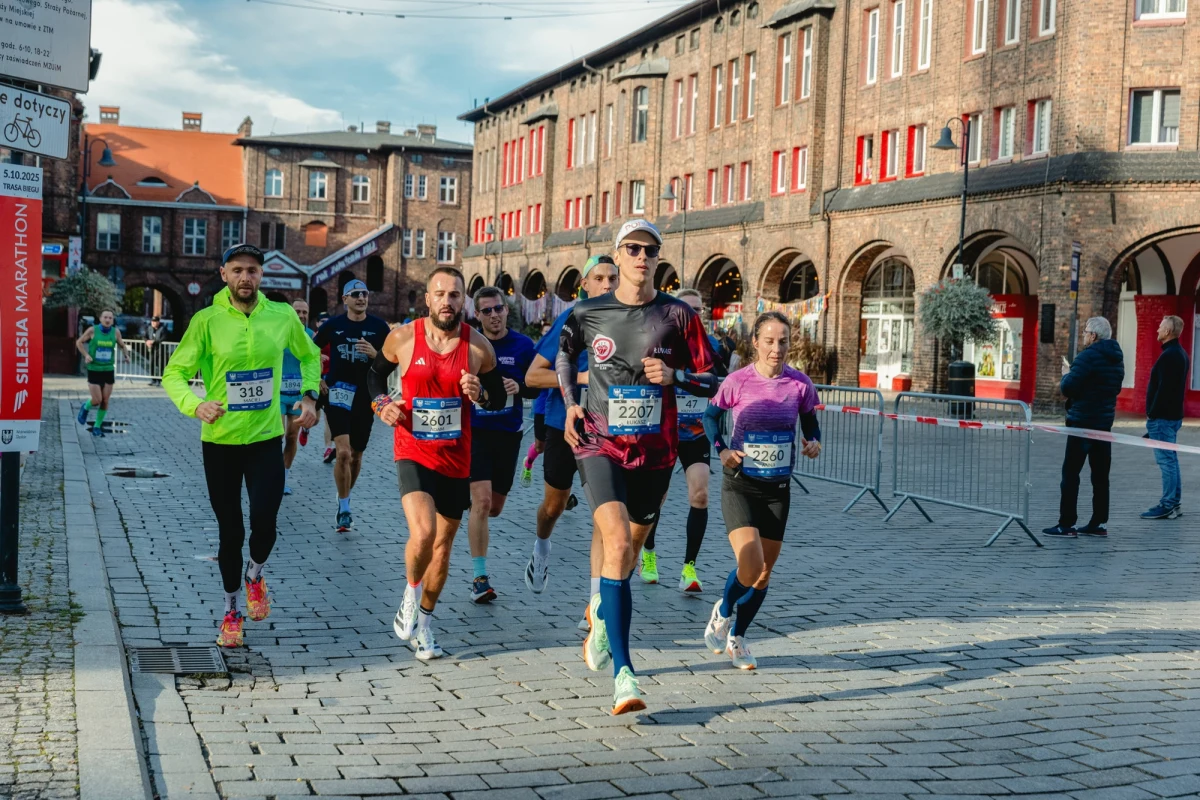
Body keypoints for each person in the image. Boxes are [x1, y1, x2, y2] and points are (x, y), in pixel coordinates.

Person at [559, 219, 718, 714]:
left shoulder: (677, 315)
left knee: (631, 550)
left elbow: (714, 381)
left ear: (658, 257)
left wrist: (677, 376)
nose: (641, 256)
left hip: (656, 450)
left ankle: (604, 616)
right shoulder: (588, 311)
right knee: (619, 541)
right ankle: (625, 675)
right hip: (599, 442)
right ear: (618, 253)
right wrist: (570, 403)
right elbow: (564, 357)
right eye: (632, 248)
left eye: (650, 249)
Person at [162, 244, 320, 648]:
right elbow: (174, 373)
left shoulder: (282, 316)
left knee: (266, 521)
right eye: (237, 271)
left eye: (252, 270)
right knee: (230, 531)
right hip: (221, 442)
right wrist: (197, 405)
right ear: (223, 274)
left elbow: (310, 355)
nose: (245, 277)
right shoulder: (207, 320)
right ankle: (232, 609)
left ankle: (255, 575)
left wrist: (309, 396)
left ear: (261, 275)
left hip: (266, 439)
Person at [367, 267, 508, 659]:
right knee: (424, 532)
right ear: (427, 298)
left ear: (464, 301)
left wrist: (479, 392)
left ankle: (424, 628)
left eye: (455, 295)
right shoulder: (403, 338)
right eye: (440, 294)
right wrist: (382, 405)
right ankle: (410, 594)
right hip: (412, 448)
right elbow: (375, 378)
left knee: (443, 549)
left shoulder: (478, 347)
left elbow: (498, 398)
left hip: (455, 457)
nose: (448, 301)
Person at [700, 312, 821, 669]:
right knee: (749, 564)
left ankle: (738, 638)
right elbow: (710, 418)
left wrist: (813, 441)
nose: (776, 348)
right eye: (769, 341)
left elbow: (811, 424)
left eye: (783, 341)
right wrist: (721, 449)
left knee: (765, 572)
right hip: (740, 485)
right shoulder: (737, 381)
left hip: (777, 489)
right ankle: (722, 611)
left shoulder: (800, 385)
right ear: (755, 342)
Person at [523, 255, 620, 600]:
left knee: (603, 513)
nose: (607, 284)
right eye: (600, 278)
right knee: (554, 505)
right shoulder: (571, 318)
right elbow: (533, 375)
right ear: (585, 283)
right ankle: (542, 548)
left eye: (613, 278)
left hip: (609, 427)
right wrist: (580, 377)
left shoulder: (628, 321)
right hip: (564, 423)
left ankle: (595, 604)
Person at [638, 288, 727, 591]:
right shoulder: (660, 342)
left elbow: (719, 384)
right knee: (656, 498)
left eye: (699, 310)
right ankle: (648, 554)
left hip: (696, 433)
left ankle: (689, 568)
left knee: (700, 494)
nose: (693, 316)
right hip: (663, 432)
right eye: (688, 309)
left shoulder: (709, 346)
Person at [466, 287, 538, 603]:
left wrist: (519, 386)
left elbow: (537, 386)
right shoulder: (467, 344)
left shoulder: (523, 346)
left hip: (508, 435)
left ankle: (472, 506)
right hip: (476, 432)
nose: (494, 315)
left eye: (498, 309)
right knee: (481, 502)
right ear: (477, 315)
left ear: (506, 310)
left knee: (494, 507)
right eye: (486, 311)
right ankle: (480, 578)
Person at [312, 280, 391, 531]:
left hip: (366, 396)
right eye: (355, 294)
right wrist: (317, 378)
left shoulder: (380, 328)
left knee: (356, 455)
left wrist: (375, 355)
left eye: (365, 294)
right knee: (343, 452)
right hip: (337, 393)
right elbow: (308, 351)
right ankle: (345, 509)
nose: (361, 298)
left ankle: (344, 495)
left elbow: (393, 362)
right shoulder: (333, 325)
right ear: (344, 299)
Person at [1043, 317, 1124, 538]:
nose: (1083, 335)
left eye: (1085, 332)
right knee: (1100, 476)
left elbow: (1068, 388)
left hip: (1082, 423)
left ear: (1094, 336)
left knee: (1070, 474)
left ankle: (1066, 523)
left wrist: (1066, 375)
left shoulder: (1086, 357)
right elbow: (1112, 387)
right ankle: (1099, 523)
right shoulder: (1117, 359)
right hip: (1104, 423)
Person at [1142, 315, 1188, 520]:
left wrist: (1152, 415)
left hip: (1163, 419)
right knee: (1171, 460)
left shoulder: (1170, 356)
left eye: (1160, 327)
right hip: (1170, 417)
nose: (1157, 330)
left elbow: (1164, 390)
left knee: (1167, 462)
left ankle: (1168, 503)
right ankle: (1174, 503)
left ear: (1168, 331)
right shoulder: (1179, 354)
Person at [280, 300, 315, 495]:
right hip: (277, 395)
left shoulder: (310, 336)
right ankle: (272, 475)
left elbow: (314, 361)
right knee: (275, 435)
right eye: (298, 311)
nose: (301, 315)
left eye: (304, 312)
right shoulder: (278, 333)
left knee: (291, 436)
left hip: (297, 396)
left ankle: (283, 476)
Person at [75, 309, 128, 437]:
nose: (108, 320)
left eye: (110, 317)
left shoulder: (115, 332)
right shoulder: (93, 330)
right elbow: (79, 342)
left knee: (105, 400)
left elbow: (122, 344)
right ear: (100, 319)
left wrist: (126, 355)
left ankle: (97, 427)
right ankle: (86, 407)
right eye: (105, 317)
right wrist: (86, 355)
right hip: (94, 369)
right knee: (97, 400)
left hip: (108, 370)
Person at [521, 321, 556, 487]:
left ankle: (557, 487)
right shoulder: (539, 354)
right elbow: (532, 378)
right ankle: (528, 463)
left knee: (557, 449)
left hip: (558, 408)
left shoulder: (563, 349)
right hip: (542, 407)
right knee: (540, 446)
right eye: (546, 331)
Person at [145, 315, 168, 384]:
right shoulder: (149, 328)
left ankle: (160, 379)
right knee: (151, 364)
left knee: (160, 365)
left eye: (155, 321)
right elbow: (144, 336)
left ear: (158, 322)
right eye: (152, 321)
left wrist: (154, 341)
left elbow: (164, 338)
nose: (153, 323)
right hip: (152, 349)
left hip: (160, 349)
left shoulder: (162, 329)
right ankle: (153, 379)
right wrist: (147, 341)